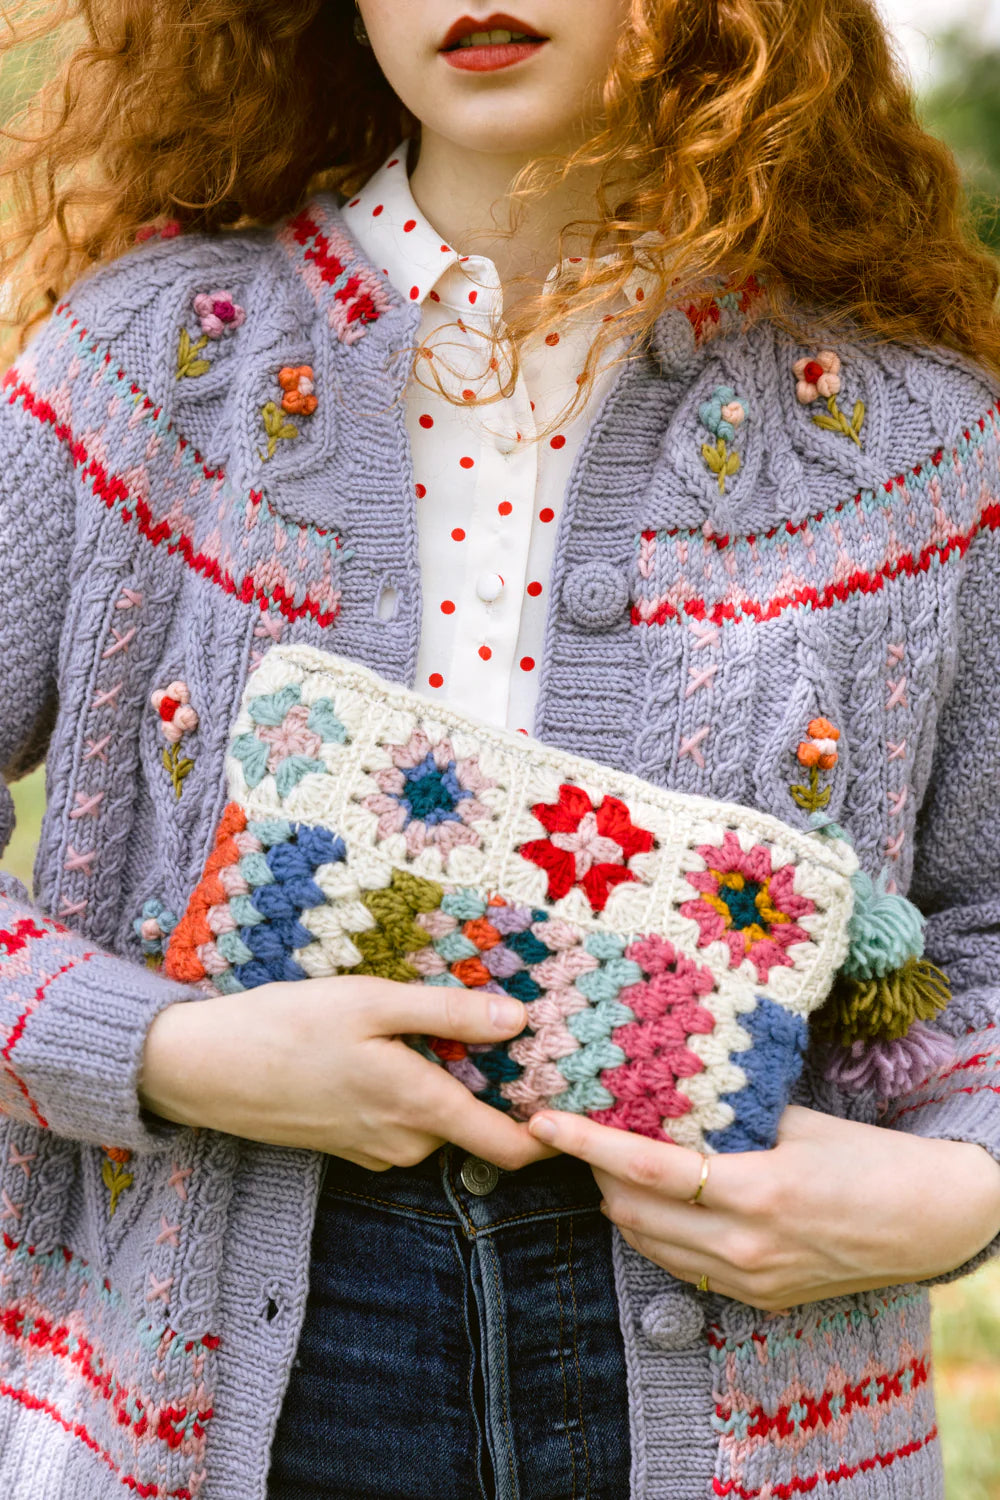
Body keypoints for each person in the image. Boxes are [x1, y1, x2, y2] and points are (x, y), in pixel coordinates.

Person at [0, 0, 999, 1495]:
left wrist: (957, 1192)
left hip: (746, 1383)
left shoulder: (923, 442)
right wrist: (164, 1050)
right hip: (207, 1371)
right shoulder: (148, 367)